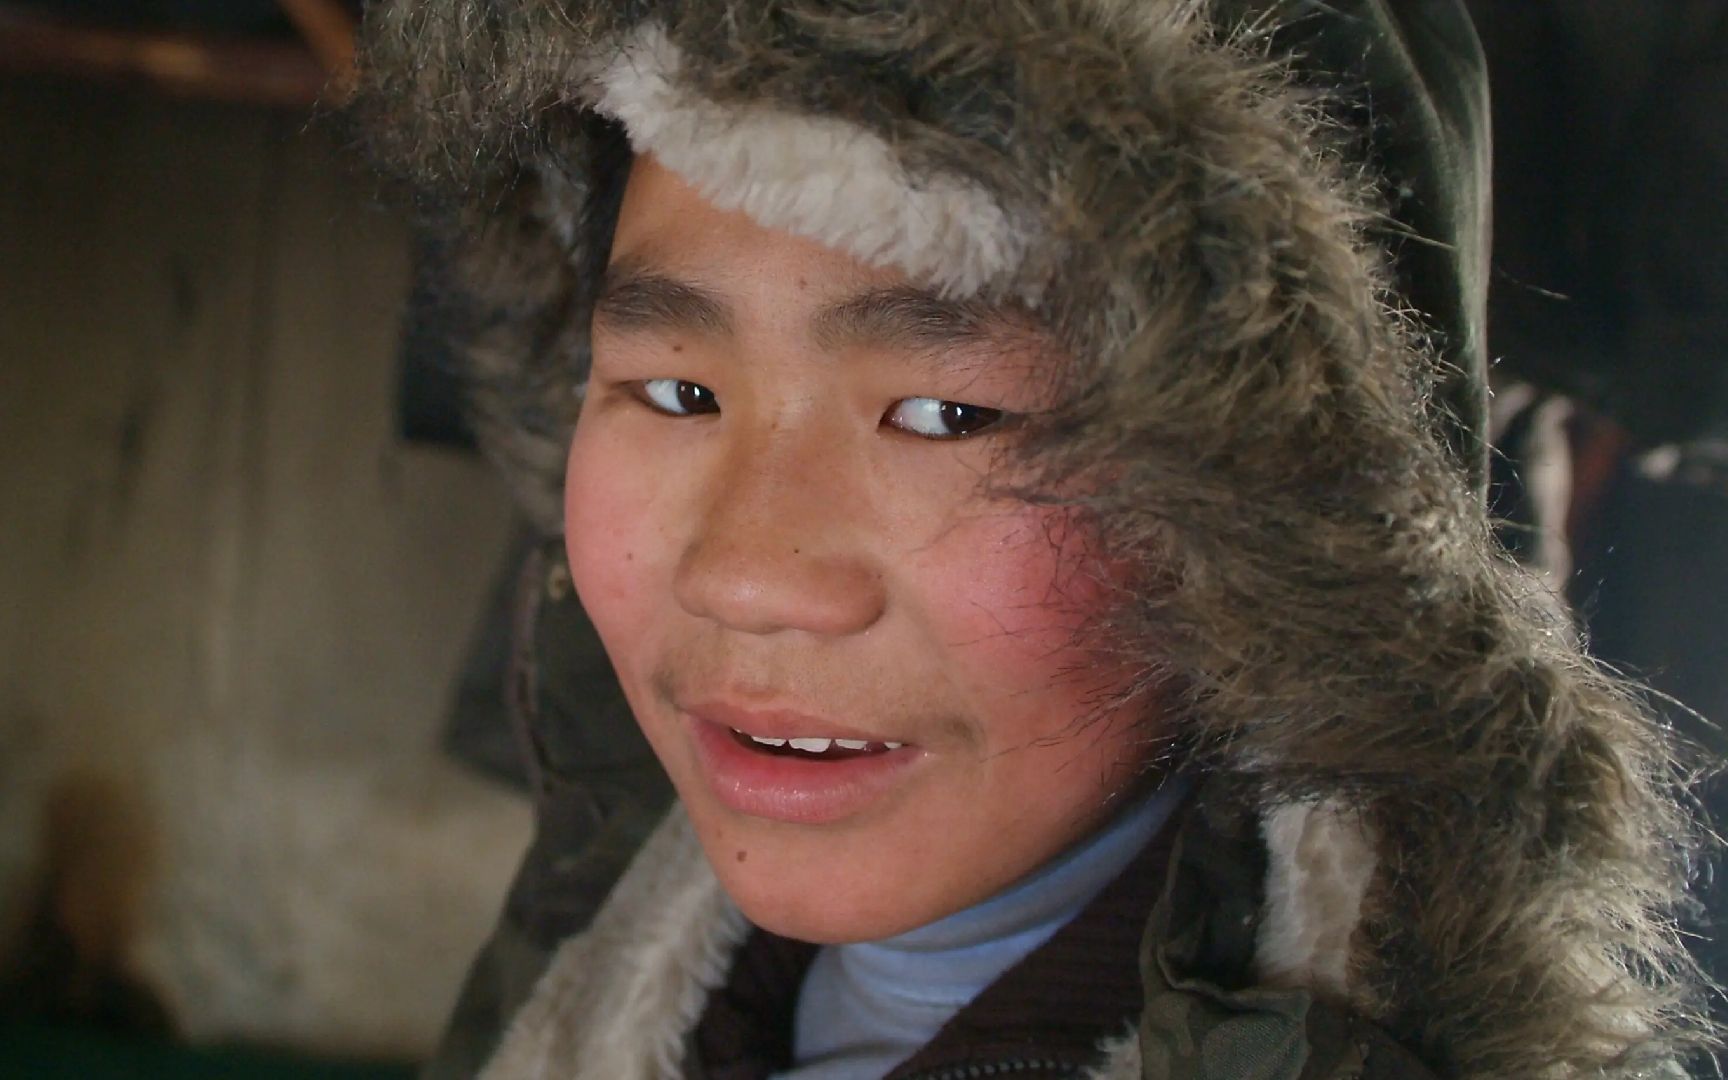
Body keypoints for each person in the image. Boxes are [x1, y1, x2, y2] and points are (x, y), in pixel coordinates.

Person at [348, 1, 1715, 1076]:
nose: (748, 572)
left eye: (946, 413)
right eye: (678, 391)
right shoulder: (590, 943)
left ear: (1283, 525)